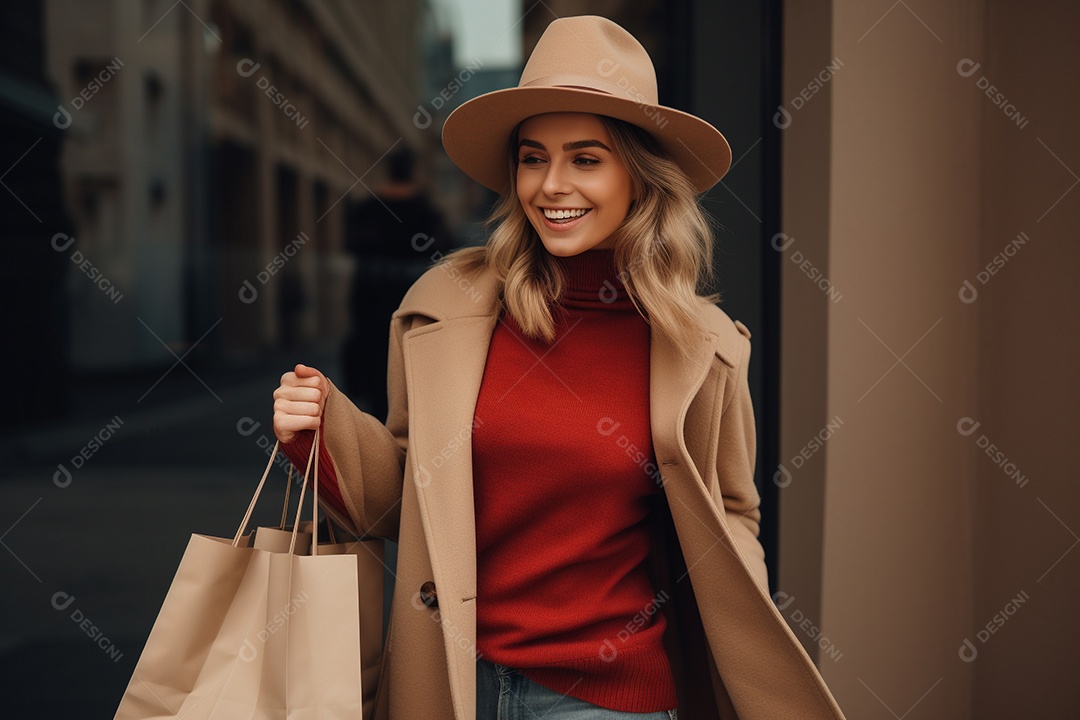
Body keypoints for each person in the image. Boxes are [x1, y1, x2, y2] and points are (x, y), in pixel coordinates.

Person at [272, 15, 847, 720]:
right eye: (533, 157)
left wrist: (739, 654)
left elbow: (731, 519)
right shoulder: (443, 309)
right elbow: (406, 500)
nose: (551, 185)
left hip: (606, 703)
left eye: (585, 158)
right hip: (451, 685)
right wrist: (323, 432)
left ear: (637, 176)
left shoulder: (702, 346)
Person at [342, 146, 453, 421]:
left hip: (371, 294)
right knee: (411, 365)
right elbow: (443, 246)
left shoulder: (367, 207)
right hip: (411, 293)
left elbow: (352, 244)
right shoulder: (424, 209)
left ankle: (380, 430)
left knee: (376, 370)